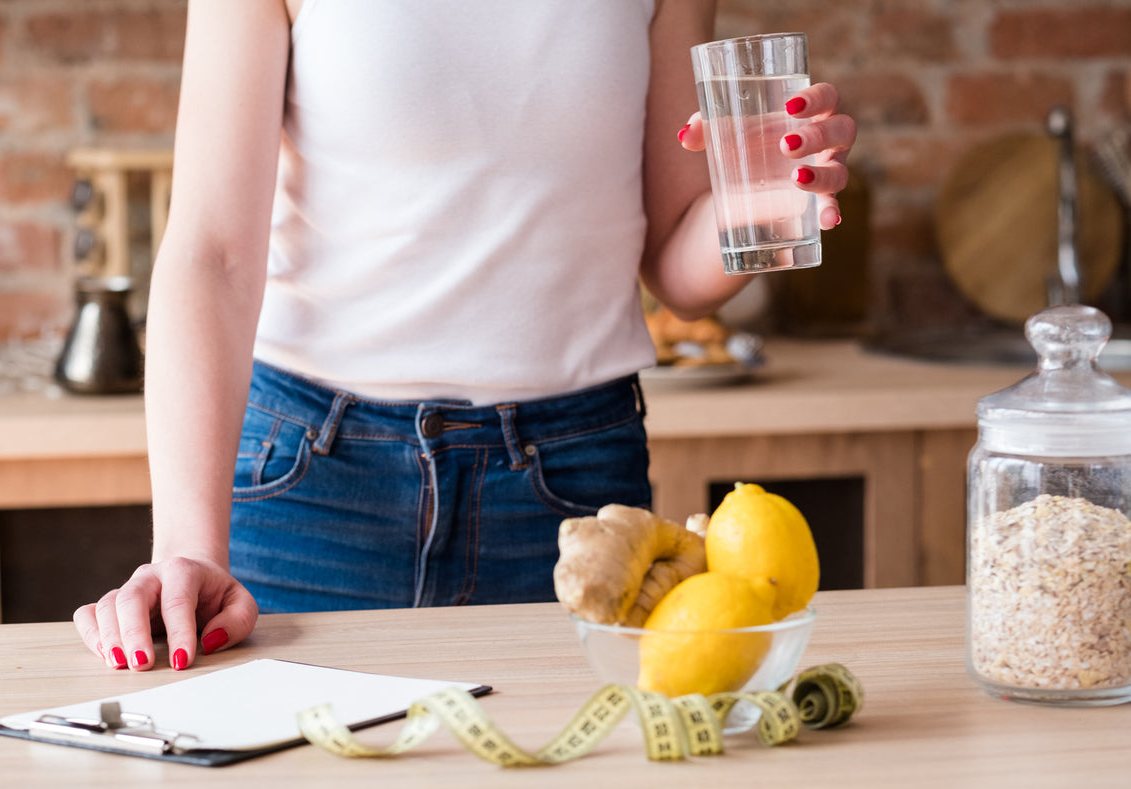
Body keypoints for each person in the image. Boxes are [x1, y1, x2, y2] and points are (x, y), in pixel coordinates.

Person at [74, 0, 856, 673]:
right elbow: (213, 255)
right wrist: (188, 547)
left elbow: (675, 270)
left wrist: (757, 206)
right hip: (312, 487)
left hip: (571, 485)